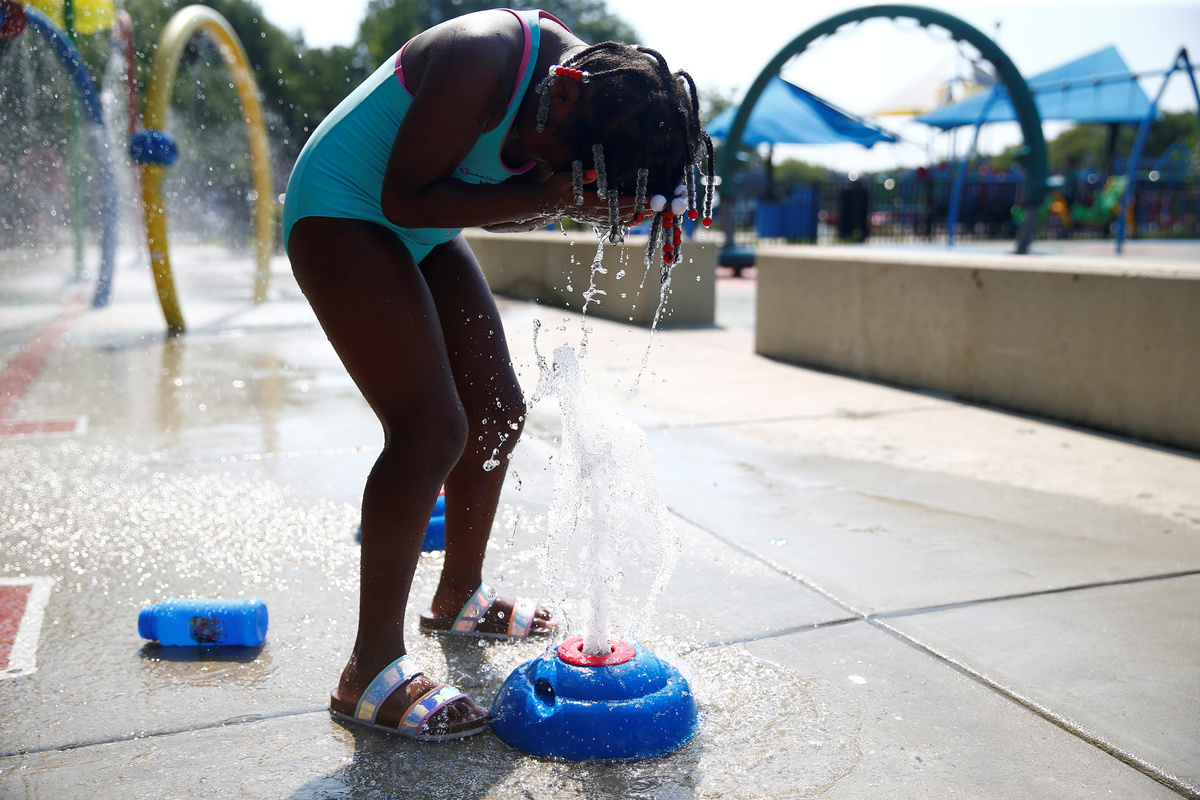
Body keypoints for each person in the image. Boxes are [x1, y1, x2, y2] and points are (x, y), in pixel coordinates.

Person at [282, 7, 713, 741]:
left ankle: (459, 597)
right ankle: (369, 671)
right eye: (562, 159)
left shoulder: (593, 112)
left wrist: (573, 198)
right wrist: (551, 196)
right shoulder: (482, 56)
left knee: (497, 411)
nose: (556, 170)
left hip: (424, 228)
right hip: (343, 212)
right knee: (429, 430)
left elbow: (490, 209)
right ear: (563, 90)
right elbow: (403, 197)